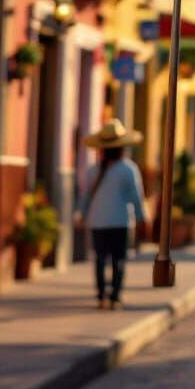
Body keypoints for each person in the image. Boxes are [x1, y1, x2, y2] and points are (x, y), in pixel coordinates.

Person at [78, 119, 146, 310]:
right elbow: (136, 196)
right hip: (121, 221)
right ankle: (115, 296)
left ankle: (101, 296)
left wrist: (82, 215)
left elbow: (85, 197)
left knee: (99, 259)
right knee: (119, 259)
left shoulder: (93, 170)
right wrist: (142, 218)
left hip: (97, 221)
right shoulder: (128, 169)